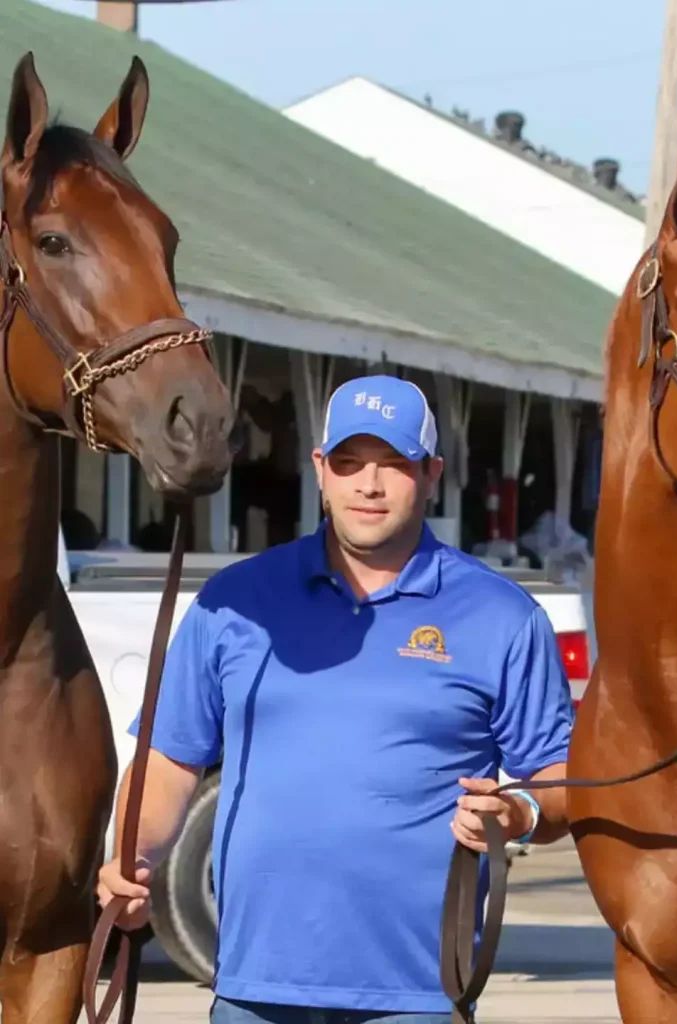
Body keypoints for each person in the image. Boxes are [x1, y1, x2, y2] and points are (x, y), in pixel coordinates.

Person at [97, 374, 574, 1024]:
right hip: (254, 986)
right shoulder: (235, 604)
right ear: (320, 470)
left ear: (431, 474)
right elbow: (169, 758)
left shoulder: (503, 618)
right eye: (348, 463)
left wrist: (517, 810)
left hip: (420, 994)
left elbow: (561, 779)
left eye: (393, 465)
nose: (368, 486)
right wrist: (133, 861)